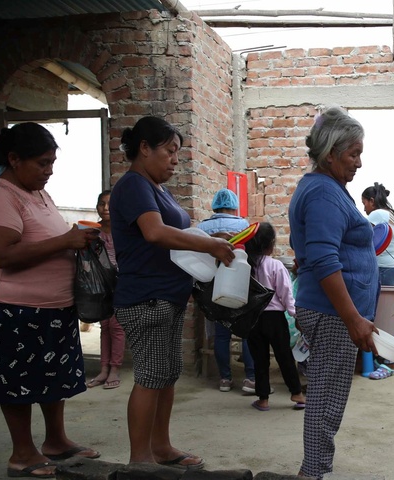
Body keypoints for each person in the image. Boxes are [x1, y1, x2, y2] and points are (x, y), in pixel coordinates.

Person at [0, 122, 100, 478]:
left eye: (52, 162)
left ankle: (56, 441)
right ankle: (22, 454)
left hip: (52, 309)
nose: (49, 170)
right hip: (15, 310)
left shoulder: (38, 194)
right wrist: (65, 242)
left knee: (51, 378)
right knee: (17, 382)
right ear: (14, 159)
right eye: (42, 163)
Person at [110, 116, 235, 469]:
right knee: (151, 376)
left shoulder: (154, 188)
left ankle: (161, 448)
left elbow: (174, 234)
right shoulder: (134, 185)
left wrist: (208, 239)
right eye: (170, 151)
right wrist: (208, 244)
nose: (175, 160)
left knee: (165, 374)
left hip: (166, 296)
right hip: (145, 298)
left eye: (177, 153)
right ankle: (140, 459)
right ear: (145, 149)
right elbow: (154, 233)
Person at [288, 106, 378, 479]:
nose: (359, 162)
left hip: (331, 312)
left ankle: (315, 469)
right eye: (353, 153)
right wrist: (352, 317)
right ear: (329, 153)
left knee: (328, 395)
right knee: (326, 399)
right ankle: (313, 473)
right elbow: (324, 260)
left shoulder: (327, 189)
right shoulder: (324, 193)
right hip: (332, 314)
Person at [196, 188, 260, 394]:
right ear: (234, 206)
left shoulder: (202, 228)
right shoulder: (243, 225)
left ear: (215, 205)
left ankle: (225, 379)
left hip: (213, 287)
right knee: (246, 332)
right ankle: (250, 378)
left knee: (221, 334)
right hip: (239, 283)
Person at [244, 223, 306, 412]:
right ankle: (297, 394)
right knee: (284, 356)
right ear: (270, 245)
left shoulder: (245, 265)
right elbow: (286, 294)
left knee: (260, 359)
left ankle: (263, 400)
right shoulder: (276, 266)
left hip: (253, 318)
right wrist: (296, 314)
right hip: (275, 319)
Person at [86, 189, 125, 390]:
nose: (106, 208)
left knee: (116, 326)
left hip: (121, 283)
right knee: (104, 326)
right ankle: (103, 369)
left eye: (111, 204)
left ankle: (115, 369)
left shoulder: (124, 230)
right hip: (100, 284)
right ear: (97, 208)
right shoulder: (91, 231)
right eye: (102, 204)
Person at [361, 182, 394, 286]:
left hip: (382, 268)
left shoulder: (377, 214)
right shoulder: (392, 214)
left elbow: (362, 236)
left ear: (372, 201)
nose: (364, 209)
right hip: (393, 268)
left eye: (364, 203)